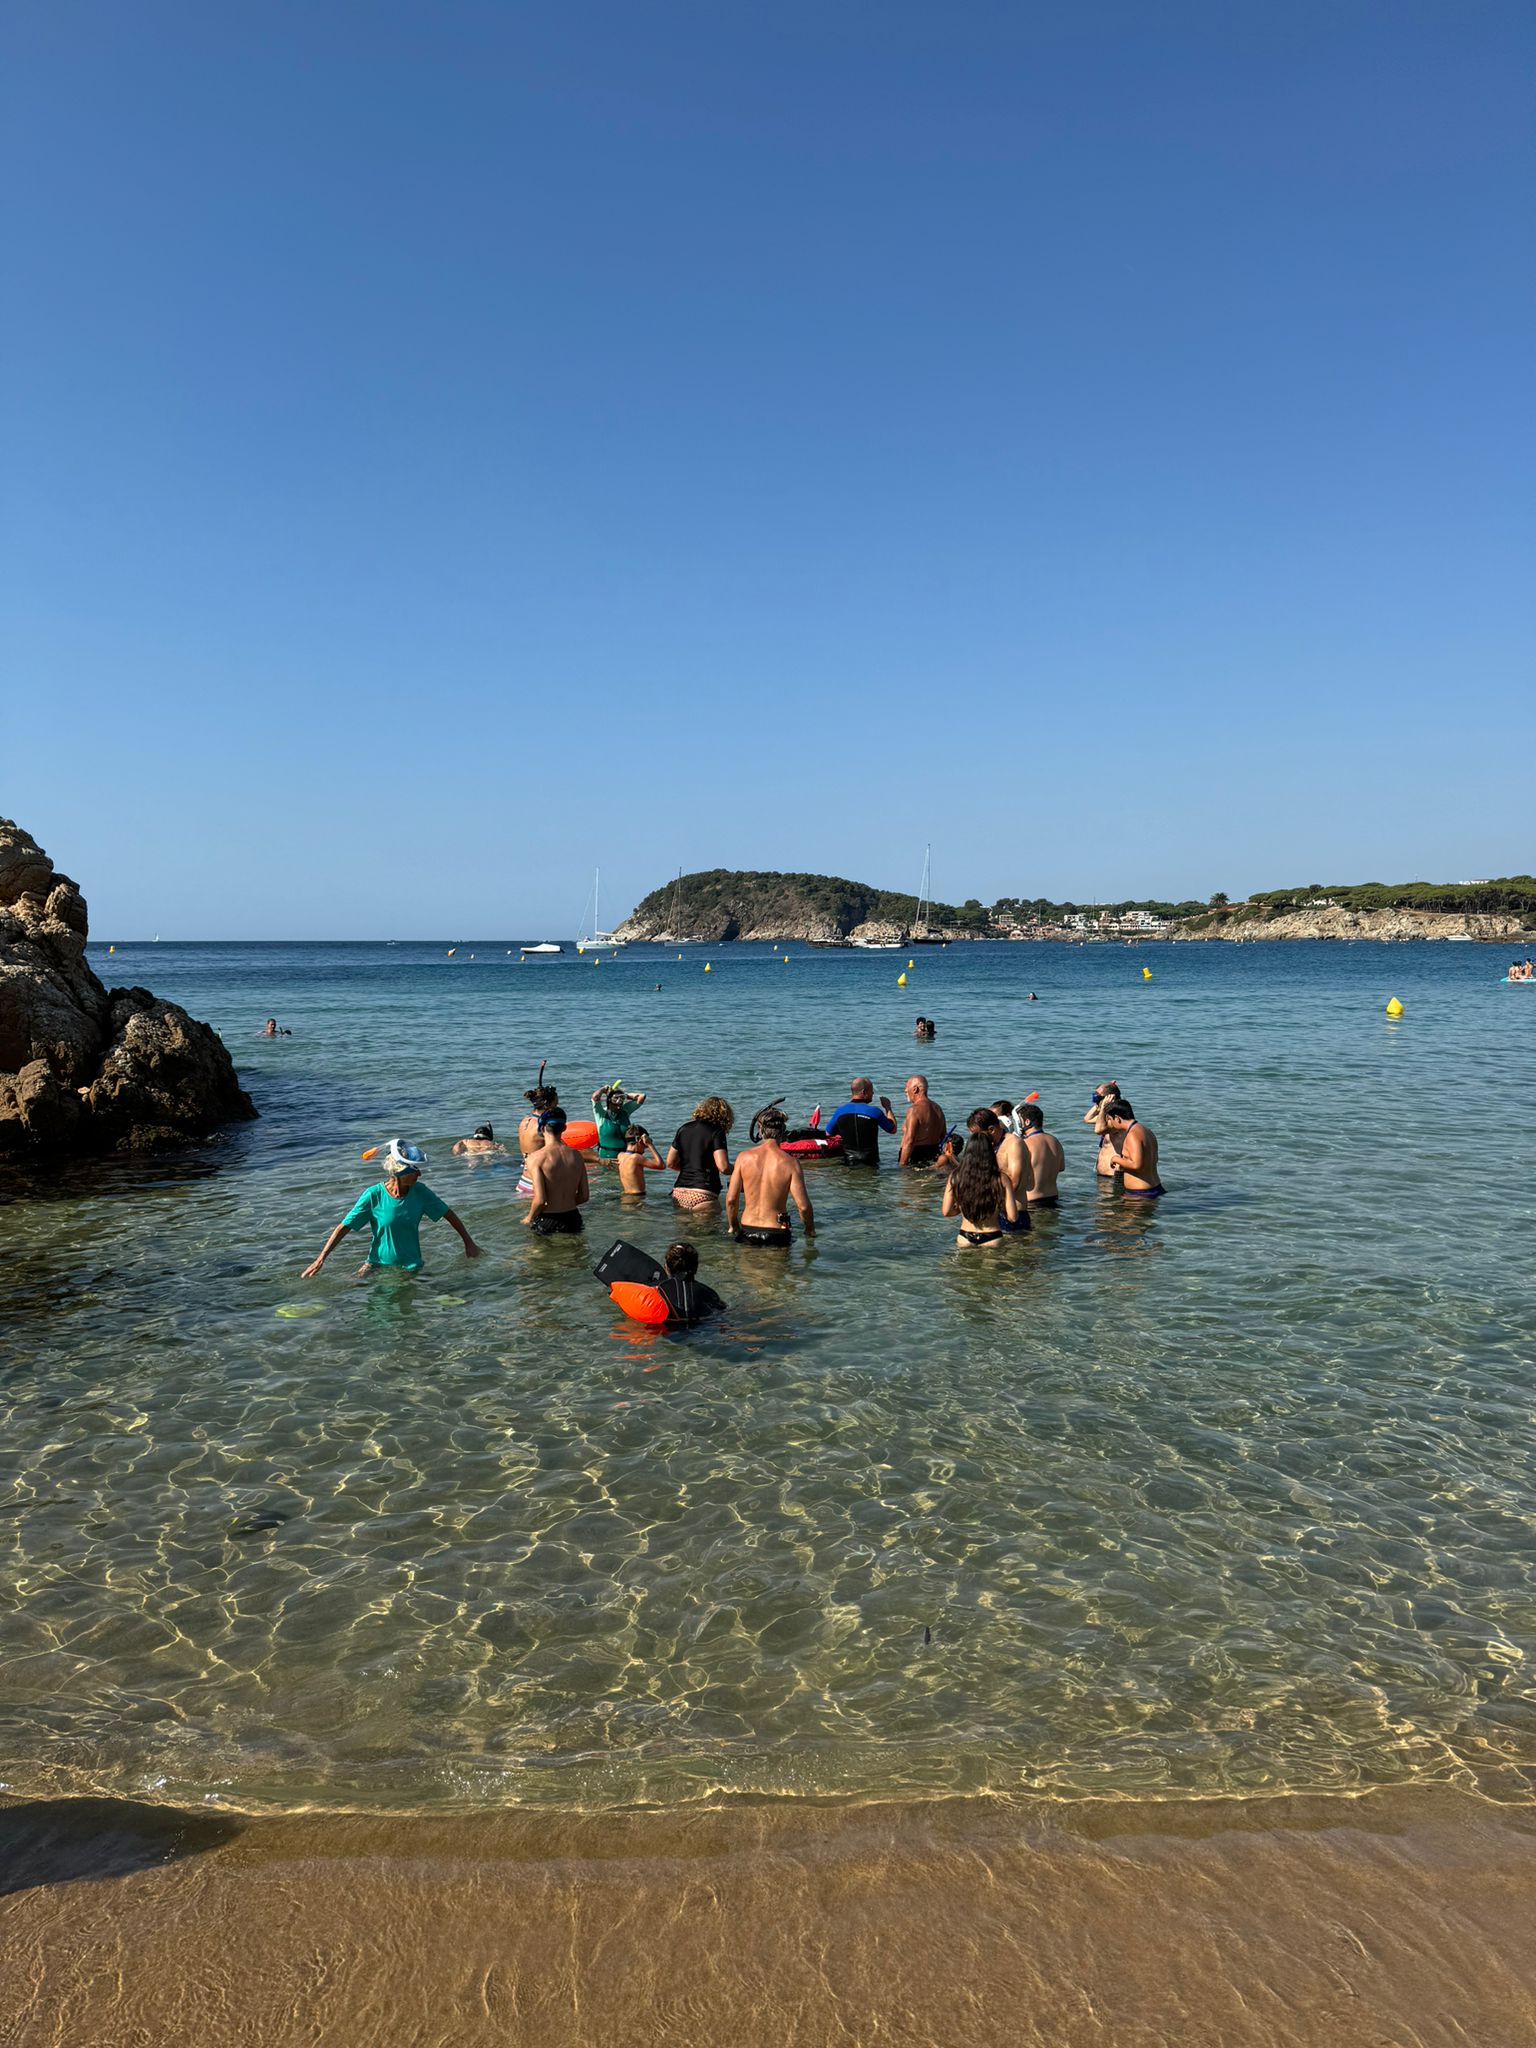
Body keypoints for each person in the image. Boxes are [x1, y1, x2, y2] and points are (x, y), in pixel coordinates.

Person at [302, 1140, 480, 1277]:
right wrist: (321, 1259)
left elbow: (449, 1214)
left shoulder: (421, 1193)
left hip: (410, 1266)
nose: (419, 1174)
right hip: (375, 1264)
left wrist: (468, 1242)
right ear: (399, 1173)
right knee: (352, 1293)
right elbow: (344, 1227)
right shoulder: (374, 1195)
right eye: (414, 1170)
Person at [726, 1105, 815, 1247]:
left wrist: (733, 1226)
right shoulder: (791, 1163)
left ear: (761, 1131)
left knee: (748, 1269)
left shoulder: (743, 1158)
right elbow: (803, 1207)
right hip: (777, 1231)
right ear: (783, 1132)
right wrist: (810, 1230)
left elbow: (731, 1200)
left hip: (748, 1228)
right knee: (777, 1269)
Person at [941, 1131, 1019, 1249]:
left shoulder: (956, 1176)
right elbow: (1012, 1217)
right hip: (992, 1237)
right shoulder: (1001, 1178)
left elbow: (946, 1212)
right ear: (990, 1152)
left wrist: (962, 1208)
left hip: (965, 1236)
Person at [523, 1107, 591, 1233]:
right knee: (577, 1252)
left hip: (547, 1219)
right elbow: (584, 1196)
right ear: (564, 1128)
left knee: (537, 1252)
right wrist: (565, 1205)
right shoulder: (577, 1156)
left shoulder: (535, 1158)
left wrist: (529, 1218)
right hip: (573, 1217)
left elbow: (540, 1200)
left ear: (542, 1128)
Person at [667, 1095, 734, 1209]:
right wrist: (740, 1168)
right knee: (710, 1227)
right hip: (703, 1194)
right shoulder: (717, 1132)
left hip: (679, 1192)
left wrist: (692, 1169)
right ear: (724, 1116)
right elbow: (723, 1167)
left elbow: (670, 1163)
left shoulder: (683, 1129)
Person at [822, 1077, 897, 1166]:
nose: (873, 1093)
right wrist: (888, 1107)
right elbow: (893, 1129)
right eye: (871, 1090)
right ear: (864, 1092)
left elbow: (828, 1133)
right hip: (870, 1161)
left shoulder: (840, 1111)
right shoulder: (874, 1111)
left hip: (849, 1161)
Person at [1100, 1099, 1164, 1196]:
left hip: (1140, 1193)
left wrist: (1115, 1159)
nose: (1110, 1123)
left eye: (1110, 1119)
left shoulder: (1132, 1135)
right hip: (1154, 1186)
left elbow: (1136, 1165)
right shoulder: (1147, 1131)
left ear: (1117, 1118)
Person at [984, 1102, 1034, 1223]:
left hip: (1013, 1213)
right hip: (996, 1212)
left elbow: (1015, 1183)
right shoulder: (994, 1146)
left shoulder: (1014, 1144)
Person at [657, 1241, 726, 1327]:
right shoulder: (709, 1293)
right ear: (696, 1267)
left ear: (666, 1267)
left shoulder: (659, 1290)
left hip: (669, 1331)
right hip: (702, 1330)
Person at [1019, 1103, 1065, 1205]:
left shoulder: (1025, 1143)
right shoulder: (1055, 1141)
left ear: (1027, 1122)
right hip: (1053, 1199)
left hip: (1032, 1201)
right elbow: (1061, 1168)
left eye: (1019, 1121)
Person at [591, 1082, 648, 1164]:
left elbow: (642, 1097)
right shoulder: (601, 1115)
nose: (618, 1107)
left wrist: (625, 1096)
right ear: (609, 1102)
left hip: (625, 1158)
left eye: (621, 1103)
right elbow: (595, 1097)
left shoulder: (625, 1112)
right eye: (615, 1103)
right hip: (606, 1159)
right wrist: (604, 1089)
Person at [518, 1083, 559, 1195]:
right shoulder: (544, 1127)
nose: (557, 1107)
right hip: (539, 1182)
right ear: (547, 1104)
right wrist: (598, 1159)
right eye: (555, 1103)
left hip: (524, 1180)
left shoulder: (525, 1121)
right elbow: (562, 1150)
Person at [899, 1074, 947, 1165]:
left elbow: (909, 1140)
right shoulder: (938, 1108)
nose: (905, 1090)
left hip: (916, 1156)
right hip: (934, 1155)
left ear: (915, 1089)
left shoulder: (914, 1110)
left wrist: (901, 1165)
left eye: (906, 1087)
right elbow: (943, 1137)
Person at [1084, 1082, 1125, 1178]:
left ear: (1110, 1098)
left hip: (1112, 1176)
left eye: (1097, 1096)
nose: (1095, 1099)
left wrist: (1103, 1107)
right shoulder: (1106, 1117)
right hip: (1103, 1175)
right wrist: (1099, 1104)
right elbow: (1087, 1119)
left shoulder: (1116, 1119)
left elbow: (1098, 1130)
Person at [616, 1125, 666, 1195]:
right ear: (640, 1140)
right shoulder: (636, 1158)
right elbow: (661, 1165)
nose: (645, 1147)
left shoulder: (620, 1156)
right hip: (637, 1197)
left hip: (626, 1196)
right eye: (645, 1144)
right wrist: (650, 1145)